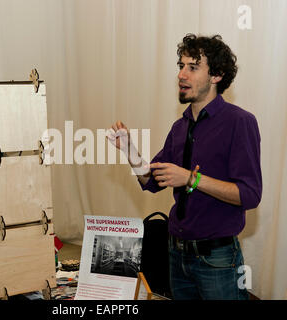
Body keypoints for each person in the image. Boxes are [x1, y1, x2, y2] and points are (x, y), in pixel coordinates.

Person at [108, 34, 262, 300]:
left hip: (217, 260)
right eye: (181, 66)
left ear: (217, 75)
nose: (182, 74)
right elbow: (151, 182)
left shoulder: (240, 122)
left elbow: (249, 194)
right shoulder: (179, 128)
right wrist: (129, 150)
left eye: (192, 67)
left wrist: (192, 179)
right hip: (176, 255)